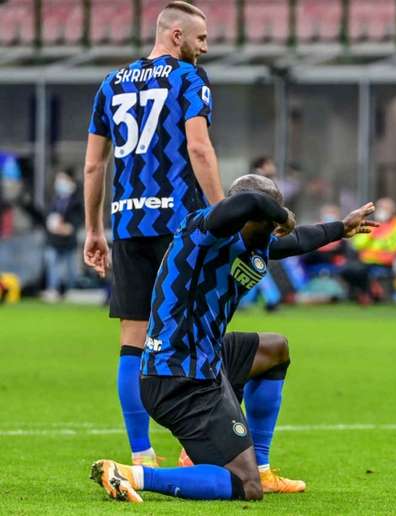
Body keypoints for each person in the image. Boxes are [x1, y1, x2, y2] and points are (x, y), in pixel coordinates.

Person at [90, 174, 377, 503]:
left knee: (274, 349)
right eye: (271, 222)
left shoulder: (254, 241)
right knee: (245, 485)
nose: (275, 232)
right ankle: (132, 474)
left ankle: (262, 467)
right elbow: (247, 202)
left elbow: (297, 241)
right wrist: (281, 214)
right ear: (255, 218)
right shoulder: (203, 231)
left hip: (203, 358)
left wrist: (342, 226)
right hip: (178, 377)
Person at [82, 1, 224, 467]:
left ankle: (141, 454)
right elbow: (198, 148)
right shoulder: (188, 80)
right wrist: (222, 213)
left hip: (127, 226)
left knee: (133, 340)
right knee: (202, 334)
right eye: (201, 39)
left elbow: (92, 165)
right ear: (177, 36)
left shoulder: (111, 83)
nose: (206, 48)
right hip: (180, 225)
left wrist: (94, 229)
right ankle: (195, 450)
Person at [340, 197, 396, 304]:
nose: (383, 211)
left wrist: (377, 240)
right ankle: (368, 292)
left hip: (384, 262)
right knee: (346, 270)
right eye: (381, 207)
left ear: (393, 210)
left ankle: (367, 294)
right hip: (365, 260)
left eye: (386, 208)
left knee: (360, 271)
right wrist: (374, 234)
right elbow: (358, 244)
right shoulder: (370, 224)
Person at [41, 168, 82, 302]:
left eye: (63, 179)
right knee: (53, 264)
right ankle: (53, 289)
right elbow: (48, 218)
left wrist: (66, 227)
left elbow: (76, 222)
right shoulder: (54, 199)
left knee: (71, 268)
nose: (60, 182)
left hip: (69, 241)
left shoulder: (76, 201)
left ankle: (71, 291)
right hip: (53, 240)